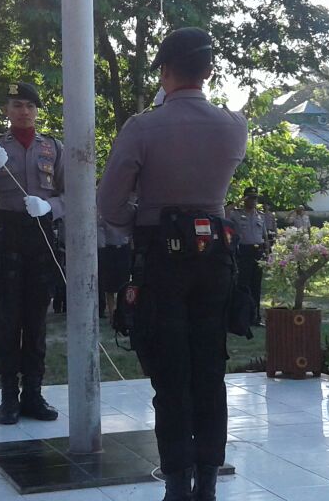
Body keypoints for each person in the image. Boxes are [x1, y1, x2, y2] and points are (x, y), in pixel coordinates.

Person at [97, 26, 247, 501]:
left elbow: (110, 204)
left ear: (164, 70)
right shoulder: (233, 125)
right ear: (208, 71)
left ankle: (177, 481)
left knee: (169, 374)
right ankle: (207, 481)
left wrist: (140, 223)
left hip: (161, 260)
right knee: (209, 370)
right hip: (216, 260)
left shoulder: (142, 127)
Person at [0, 82, 64, 424]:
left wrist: (49, 206)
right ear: (6, 111)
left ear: (37, 111)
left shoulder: (53, 147)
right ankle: (8, 397)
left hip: (40, 233)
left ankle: (33, 394)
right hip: (7, 234)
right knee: (8, 320)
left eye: (29, 106)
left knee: (36, 320)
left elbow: (75, 194)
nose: (23, 111)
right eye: (17, 105)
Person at [230, 187, 270, 327]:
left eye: (255, 198)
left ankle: (256, 317)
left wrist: (267, 252)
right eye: (250, 197)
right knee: (243, 284)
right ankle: (242, 318)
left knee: (256, 285)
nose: (253, 201)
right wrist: (240, 201)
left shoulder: (260, 215)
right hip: (244, 251)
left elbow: (264, 236)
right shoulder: (236, 214)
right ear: (245, 198)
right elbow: (224, 212)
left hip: (258, 251)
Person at [98, 216, 131, 321]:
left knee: (124, 284)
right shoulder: (105, 217)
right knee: (109, 285)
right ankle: (112, 315)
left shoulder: (127, 216)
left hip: (124, 249)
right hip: (109, 250)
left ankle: (123, 313)